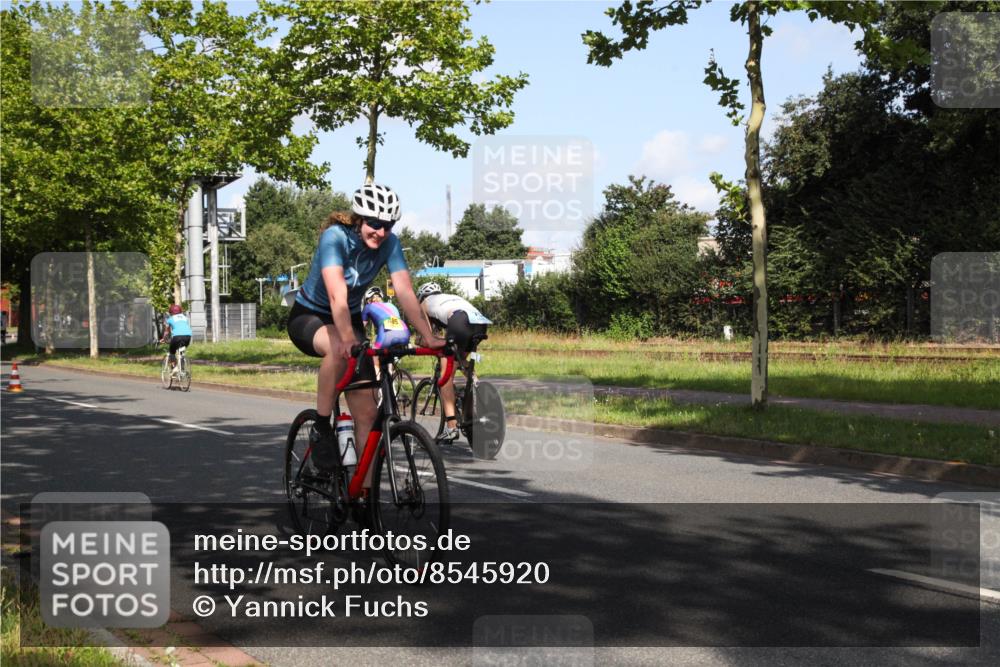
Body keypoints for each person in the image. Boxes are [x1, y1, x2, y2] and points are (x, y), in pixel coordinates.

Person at [286, 183, 444, 476]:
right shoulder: (334, 238)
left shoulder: (391, 244)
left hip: (349, 319)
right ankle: (321, 427)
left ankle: (363, 500)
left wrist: (429, 335)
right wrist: (347, 338)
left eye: (388, 225)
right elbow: (337, 295)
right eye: (374, 224)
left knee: (369, 414)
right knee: (336, 348)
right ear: (359, 220)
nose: (381, 232)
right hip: (310, 316)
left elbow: (405, 292)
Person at [415, 282, 491, 442]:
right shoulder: (450, 297)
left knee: (445, 377)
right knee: (460, 359)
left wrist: (420, 342)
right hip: (480, 323)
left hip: (460, 321)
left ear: (421, 297)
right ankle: (475, 383)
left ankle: (451, 427)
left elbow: (427, 336)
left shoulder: (424, 303)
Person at [161, 304, 192, 374]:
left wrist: (163, 338)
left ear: (171, 312)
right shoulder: (185, 317)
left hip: (177, 337)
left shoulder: (170, 319)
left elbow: (166, 331)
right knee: (181, 352)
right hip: (188, 336)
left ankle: (174, 367)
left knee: (172, 351)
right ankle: (182, 369)